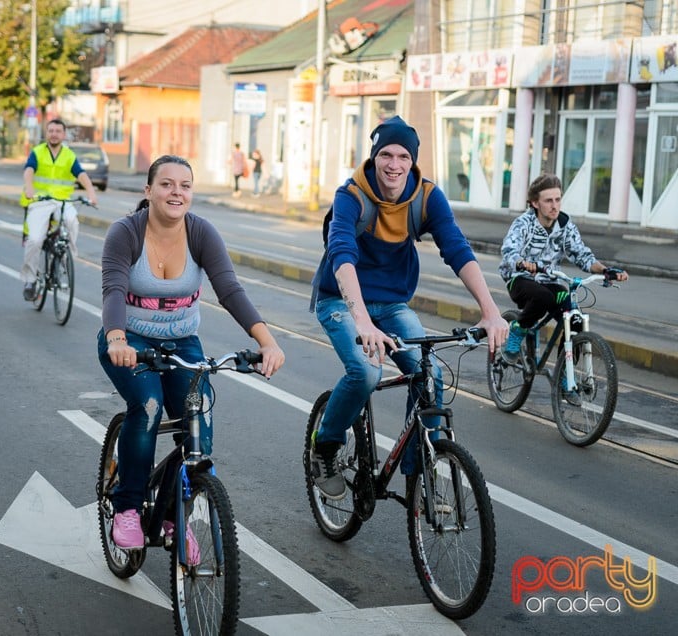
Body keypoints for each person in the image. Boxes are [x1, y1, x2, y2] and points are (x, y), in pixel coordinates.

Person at [308, 116, 508, 499]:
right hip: (341, 301)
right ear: (374, 157)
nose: (394, 165)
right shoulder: (351, 195)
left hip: (392, 303)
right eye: (385, 154)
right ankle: (327, 445)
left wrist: (490, 310)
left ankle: (422, 474)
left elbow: (456, 248)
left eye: (402, 156)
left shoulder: (427, 197)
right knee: (366, 372)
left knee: (428, 375)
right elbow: (342, 255)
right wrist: (362, 322)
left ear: (413, 161)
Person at [98, 154, 285, 548]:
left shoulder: (202, 233)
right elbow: (114, 289)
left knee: (197, 424)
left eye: (184, 185)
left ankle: (171, 515)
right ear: (148, 191)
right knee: (147, 405)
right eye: (166, 184)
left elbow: (230, 290)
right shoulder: (126, 233)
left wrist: (266, 342)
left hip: (182, 342)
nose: (176, 192)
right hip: (130, 340)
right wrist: (116, 338)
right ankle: (128, 507)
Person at [498, 173, 628, 362]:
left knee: (575, 320)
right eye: (548, 200)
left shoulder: (565, 225)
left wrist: (605, 270)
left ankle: (565, 375)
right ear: (535, 203)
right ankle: (518, 329)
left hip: (549, 281)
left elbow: (581, 254)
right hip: (520, 279)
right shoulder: (523, 224)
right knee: (542, 297)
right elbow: (509, 250)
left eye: (558, 200)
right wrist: (521, 262)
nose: (554, 205)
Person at [19, 118, 98, 301]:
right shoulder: (37, 152)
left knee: (72, 221)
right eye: (51, 130)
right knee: (35, 239)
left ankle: (64, 259)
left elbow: (81, 175)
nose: (54, 134)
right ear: (47, 133)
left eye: (58, 131)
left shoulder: (69, 155)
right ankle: (30, 280)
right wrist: (29, 187)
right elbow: (29, 170)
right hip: (40, 200)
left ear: (63, 135)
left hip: (62, 201)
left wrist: (91, 193)